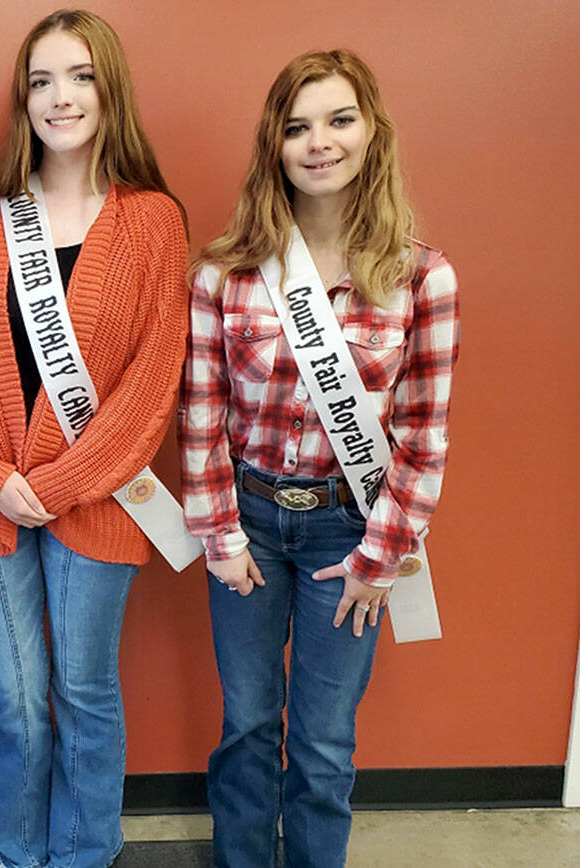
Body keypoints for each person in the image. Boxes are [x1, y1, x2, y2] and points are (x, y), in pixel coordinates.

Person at [0, 10, 190, 868]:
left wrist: (62, 482)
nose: (60, 97)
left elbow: (153, 382)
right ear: (23, 99)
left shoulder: (152, 221)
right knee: (15, 701)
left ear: (110, 91)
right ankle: (20, 852)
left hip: (96, 503)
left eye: (79, 77)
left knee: (84, 692)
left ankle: (82, 853)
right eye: (41, 81)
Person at [181, 49, 459, 867]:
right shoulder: (225, 273)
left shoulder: (422, 277)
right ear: (275, 144)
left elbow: (424, 433)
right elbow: (201, 413)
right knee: (247, 724)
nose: (319, 143)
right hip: (249, 525)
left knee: (325, 739)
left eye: (339, 120)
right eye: (298, 127)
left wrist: (383, 556)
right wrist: (219, 536)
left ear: (372, 132)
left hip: (351, 531)